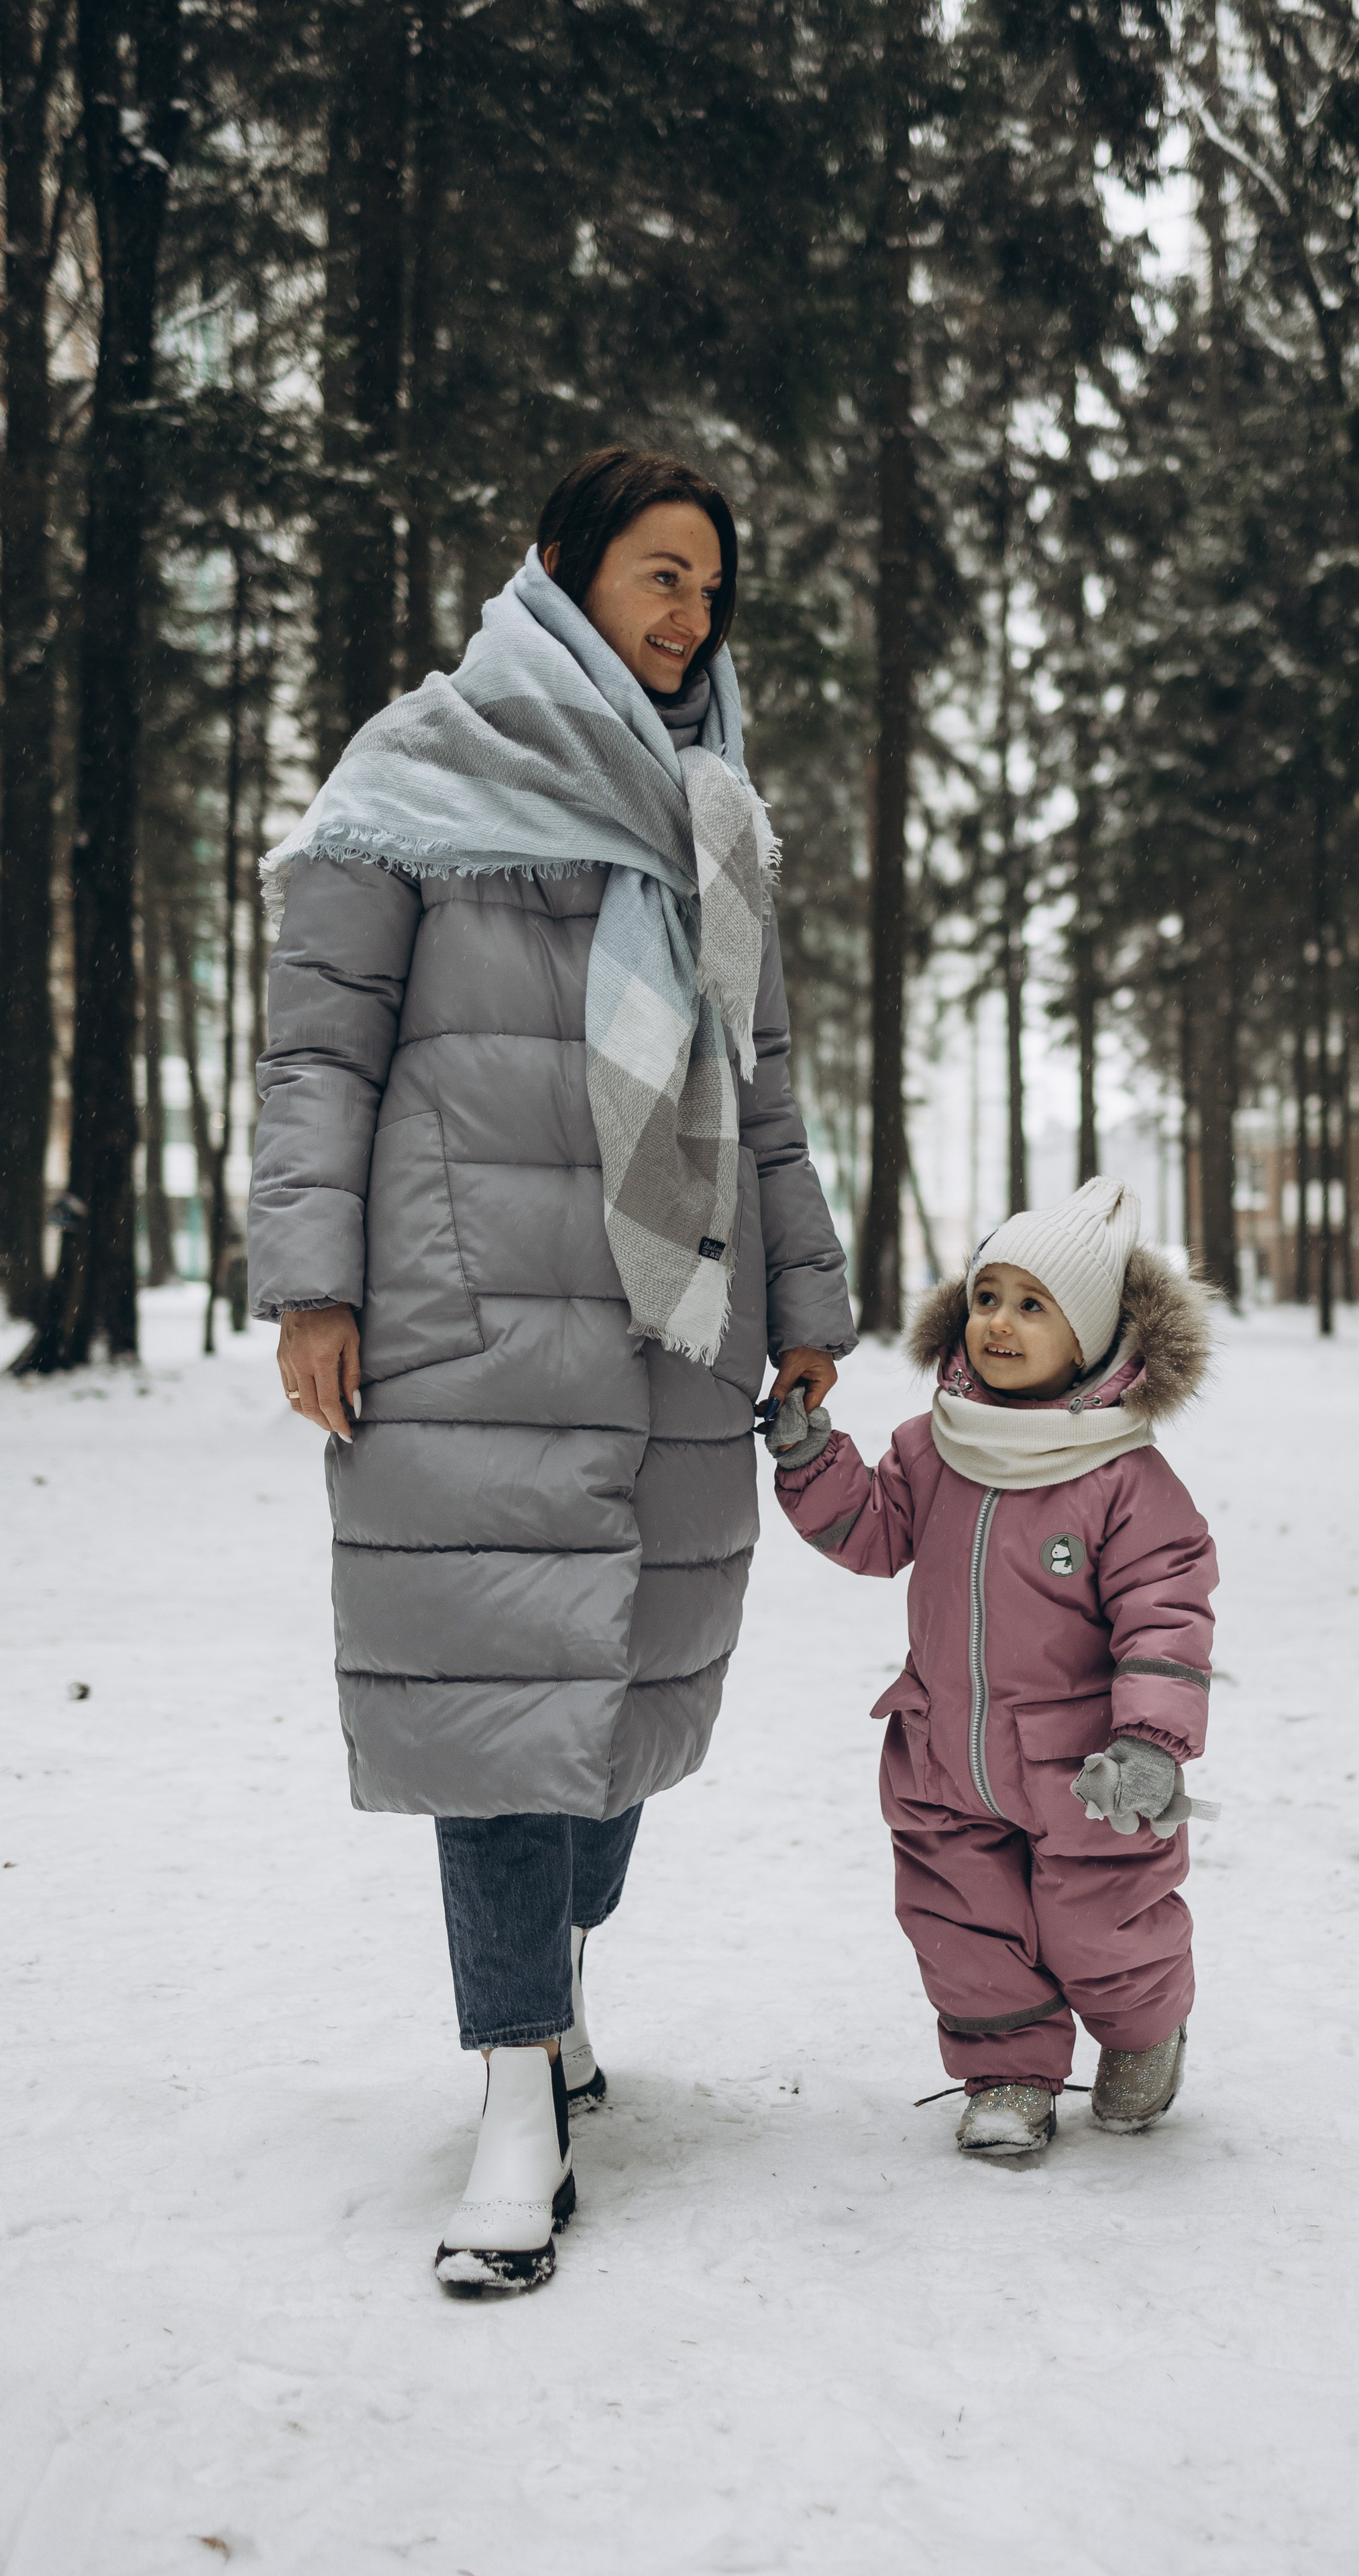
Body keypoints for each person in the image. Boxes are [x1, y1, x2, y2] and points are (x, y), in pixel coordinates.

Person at [248, 447, 853, 2294]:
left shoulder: (714, 810)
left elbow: (760, 1087)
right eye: (658, 575)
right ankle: (516, 2090)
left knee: (623, 1697)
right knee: (497, 1707)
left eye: (709, 590)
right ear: (559, 567)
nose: (688, 617)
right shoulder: (414, 770)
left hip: (678, 1319)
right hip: (470, 1311)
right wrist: (312, 1286)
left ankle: (559, 1973)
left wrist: (809, 1294)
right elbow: (320, 1057)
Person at [769, 1177, 1217, 2153]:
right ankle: (1009, 2071)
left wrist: (1150, 1739)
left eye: (1032, 1305)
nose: (999, 1323)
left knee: (1103, 1920)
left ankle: (1143, 2031)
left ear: (1089, 1339)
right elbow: (872, 1531)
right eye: (985, 1297)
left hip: (1087, 1768)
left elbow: (1167, 1608)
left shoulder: (1122, 1478)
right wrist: (814, 1463)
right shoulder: (935, 1447)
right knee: (961, 1921)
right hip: (943, 1753)